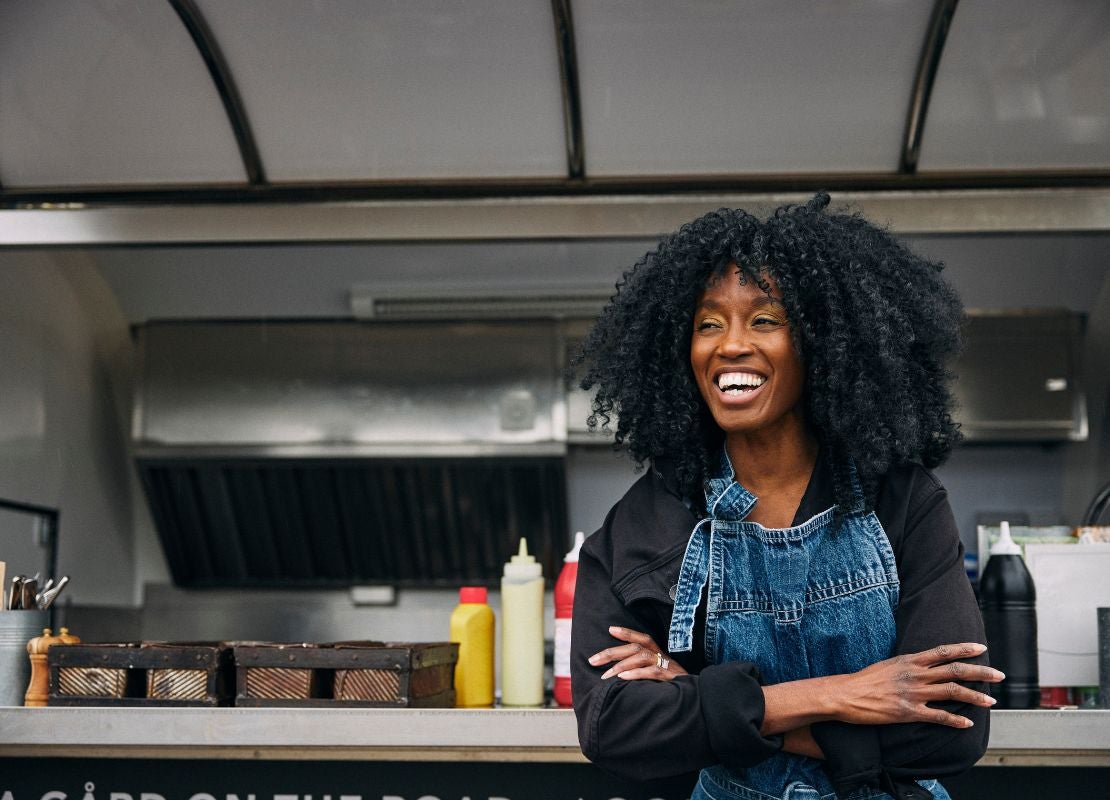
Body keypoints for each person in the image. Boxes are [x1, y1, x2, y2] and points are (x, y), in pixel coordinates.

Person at [569, 194, 1003, 800]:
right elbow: (612, 727)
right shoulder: (648, 519)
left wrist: (694, 691)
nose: (731, 345)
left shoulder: (903, 500)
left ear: (821, 344)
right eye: (708, 323)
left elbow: (953, 734)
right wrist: (834, 697)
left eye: (765, 319)